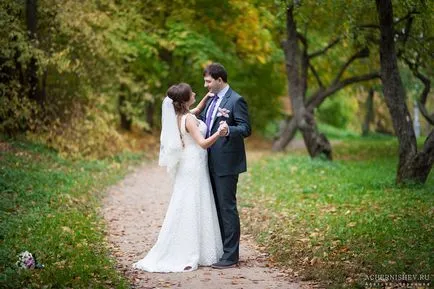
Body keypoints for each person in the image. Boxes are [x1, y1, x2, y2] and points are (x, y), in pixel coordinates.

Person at [133, 83, 226, 272]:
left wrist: (207, 98)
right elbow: (202, 143)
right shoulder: (189, 119)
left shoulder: (179, 116)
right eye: (191, 93)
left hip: (188, 164)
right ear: (185, 100)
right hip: (194, 164)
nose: (194, 93)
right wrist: (219, 132)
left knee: (188, 201)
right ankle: (191, 249)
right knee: (194, 202)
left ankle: (192, 245)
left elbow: (196, 111)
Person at [200, 63, 251, 269]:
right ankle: (221, 250)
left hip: (227, 163)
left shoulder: (236, 100)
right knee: (215, 207)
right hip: (207, 161)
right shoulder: (211, 100)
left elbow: (246, 128)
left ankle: (231, 256)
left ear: (220, 80)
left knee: (227, 208)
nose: (206, 85)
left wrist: (228, 129)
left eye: (208, 81)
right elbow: (205, 123)